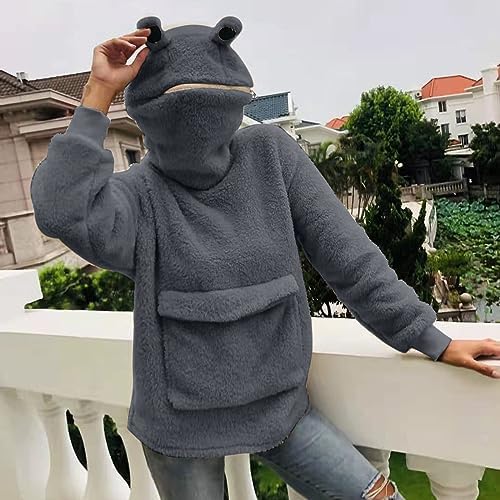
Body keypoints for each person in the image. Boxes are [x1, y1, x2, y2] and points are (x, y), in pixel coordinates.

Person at [30, 16, 500, 500]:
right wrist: (97, 93)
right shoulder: (138, 196)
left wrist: (430, 338)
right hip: (177, 428)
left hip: (281, 410)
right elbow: (62, 211)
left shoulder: (271, 155)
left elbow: (349, 257)